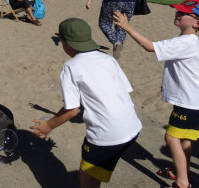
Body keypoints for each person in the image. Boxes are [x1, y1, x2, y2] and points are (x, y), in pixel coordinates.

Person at [30, 18, 142, 188]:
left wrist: (49, 125)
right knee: (97, 170)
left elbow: (72, 111)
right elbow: (125, 90)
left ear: (66, 43)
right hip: (132, 127)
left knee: (87, 175)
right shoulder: (108, 59)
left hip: (107, 135)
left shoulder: (70, 67)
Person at [113, 0, 199, 188]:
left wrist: (128, 28)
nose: (178, 14)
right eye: (178, 10)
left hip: (188, 103)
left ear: (197, 23)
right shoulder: (189, 41)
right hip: (194, 102)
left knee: (171, 138)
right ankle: (182, 172)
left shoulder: (186, 42)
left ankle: (182, 183)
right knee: (184, 140)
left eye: (184, 13)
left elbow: (150, 47)